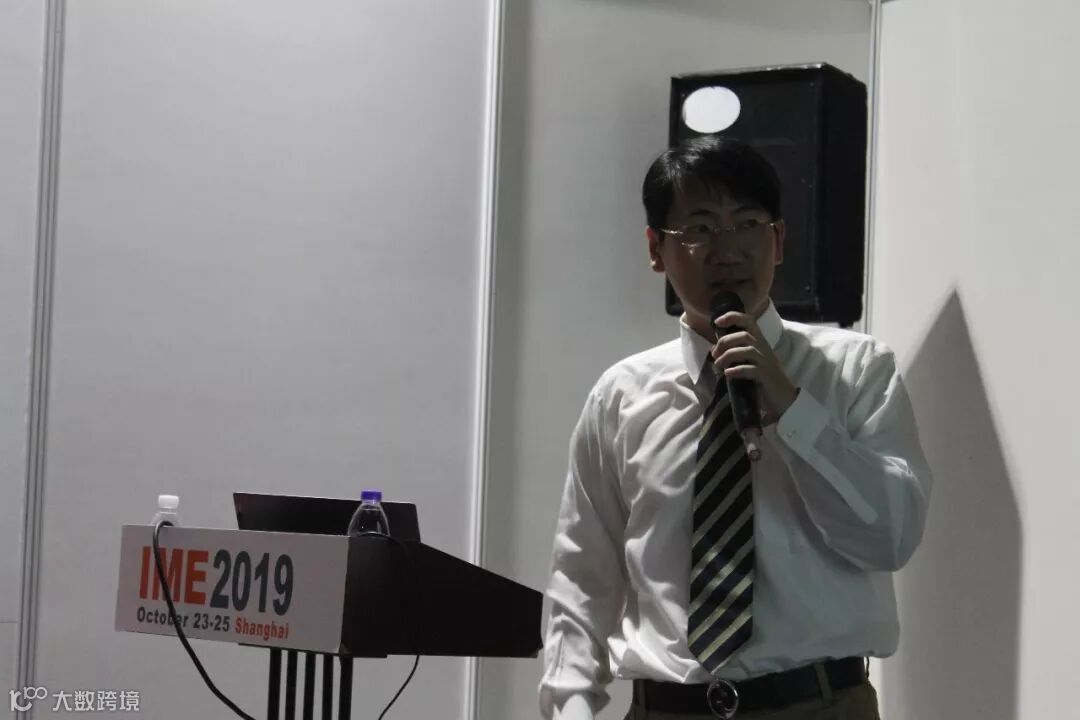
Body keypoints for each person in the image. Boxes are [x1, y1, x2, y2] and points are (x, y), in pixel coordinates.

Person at [539, 136, 932, 720]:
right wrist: (570, 709)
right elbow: (581, 581)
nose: (727, 249)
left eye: (748, 223)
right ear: (655, 249)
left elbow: (890, 537)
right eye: (699, 228)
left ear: (778, 241)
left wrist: (791, 408)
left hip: (819, 706)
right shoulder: (621, 397)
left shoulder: (856, 371)